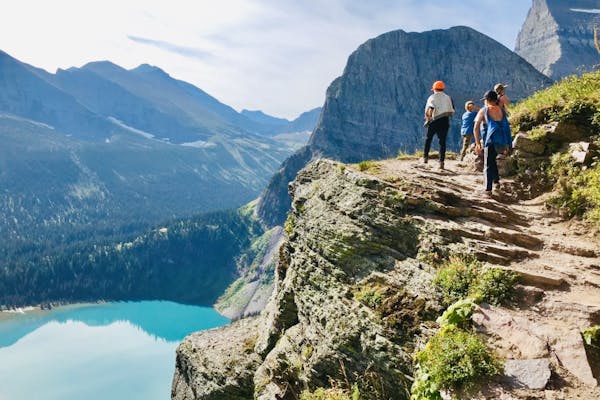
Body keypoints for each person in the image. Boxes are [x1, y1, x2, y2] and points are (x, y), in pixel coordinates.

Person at [473, 90, 512, 195]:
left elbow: (476, 128)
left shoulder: (484, 110)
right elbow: (506, 126)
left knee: (487, 164)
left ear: (486, 100)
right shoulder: (502, 110)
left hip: (490, 141)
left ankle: (487, 189)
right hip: (502, 141)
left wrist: (477, 143)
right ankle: (496, 182)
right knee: (492, 161)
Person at [423, 80, 455, 169]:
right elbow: (451, 109)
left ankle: (425, 157)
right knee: (442, 142)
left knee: (428, 138)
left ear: (434, 89)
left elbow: (430, 108)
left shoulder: (432, 97)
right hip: (445, 121)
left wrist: (428, 119)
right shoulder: (448, 97)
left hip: (434, 121)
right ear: (443, 88)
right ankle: (441, 162)